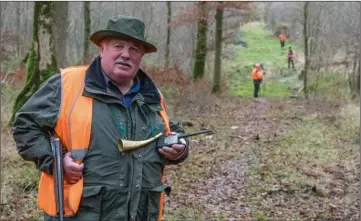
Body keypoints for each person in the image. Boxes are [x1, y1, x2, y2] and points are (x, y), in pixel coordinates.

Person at [12, 15, 189, 221]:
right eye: (118, 46)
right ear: (102, 48)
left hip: (141, 212)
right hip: (81, 213)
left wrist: (181, 148)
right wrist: (56, 161)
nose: (126, 54)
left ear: (141, 56)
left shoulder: (152, 95)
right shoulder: (68, 84)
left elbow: (170, 130)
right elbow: (25, 124)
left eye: (134, 49)